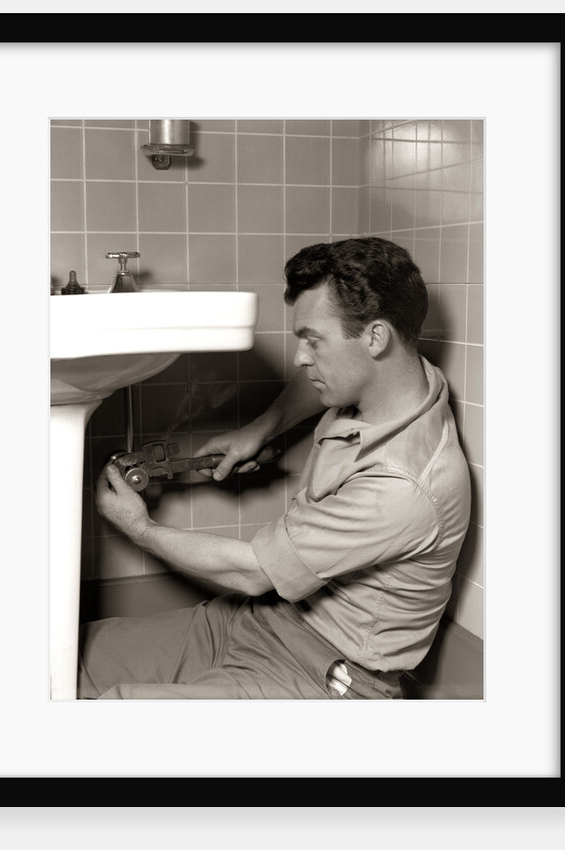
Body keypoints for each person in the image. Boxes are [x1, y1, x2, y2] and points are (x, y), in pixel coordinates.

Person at [77, 236, 471, 700]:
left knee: (118, 712)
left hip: (323, 673)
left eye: (313, 341)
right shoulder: (396, 379)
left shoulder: (404, 485)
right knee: (70, 658)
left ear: (375, 337)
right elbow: (327, 379)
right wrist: (262, 429)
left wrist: (139, 528)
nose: (301, 357)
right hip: (262, 617)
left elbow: (253, 572)